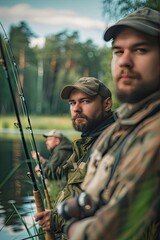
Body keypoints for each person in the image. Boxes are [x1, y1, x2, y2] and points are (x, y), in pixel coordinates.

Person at [60, 7, 160, 240]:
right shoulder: (121, 127)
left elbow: (107, 231)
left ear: (106, 104)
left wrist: (70, 228)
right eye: (118, 51)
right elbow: (95, 194)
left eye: (141, 50)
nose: (125, 61)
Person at [34, 77, 115, 239]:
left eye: (85, 101)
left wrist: (58, 220)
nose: (76, 108)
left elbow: (112, 213)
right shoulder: (85, 144)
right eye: (72, 103)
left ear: (107, 104)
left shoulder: (116, 144)